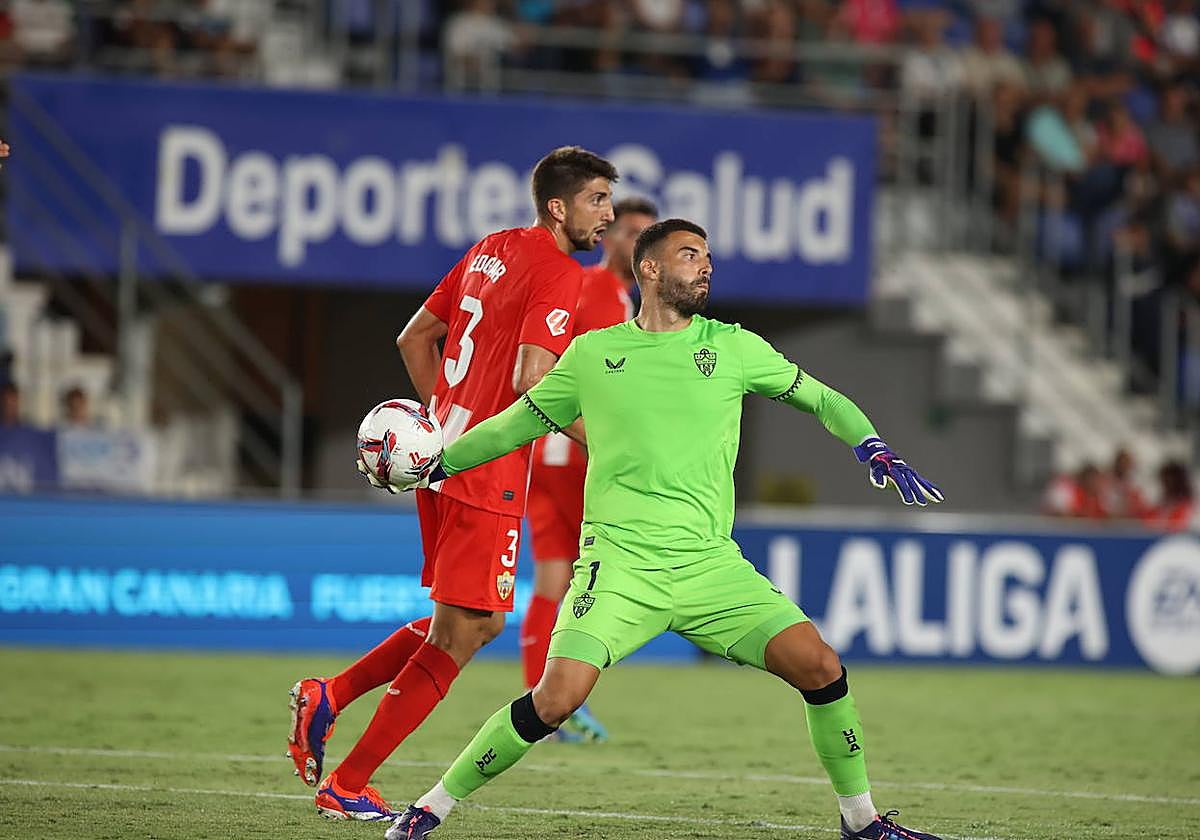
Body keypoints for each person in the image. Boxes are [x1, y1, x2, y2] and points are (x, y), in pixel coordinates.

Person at [388, 219, 946, 840]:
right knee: (555, 700)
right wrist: (439, 460)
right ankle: (431, 806)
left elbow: (823, 399)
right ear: (648, 269)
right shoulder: (593, 355)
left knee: (820, 665)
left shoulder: (733, 347)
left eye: (708, 257)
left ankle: (862, 821)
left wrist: (872, 446)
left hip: (712, 567)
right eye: (689, 255)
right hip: (621, 568)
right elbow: (512, 425)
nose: (704, 266)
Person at [287, 146, 618, 821]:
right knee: (463, 633)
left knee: (472, 622)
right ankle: (348, 780)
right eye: (596, 201)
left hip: (443, 461)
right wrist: (610, 441)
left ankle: (331, 697)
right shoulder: (560, 271)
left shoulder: (492, 247)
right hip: (486, 473)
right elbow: (531, 381)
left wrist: (442, 426)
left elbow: (415, 339)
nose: (607, 215)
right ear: (559, 207)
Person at [521, 197, 657, 742]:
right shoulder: (598, 290)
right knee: (587, 580)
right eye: (631, 232)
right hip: (574, 457)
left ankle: (548, 704)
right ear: (611, 237)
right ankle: (555, 703)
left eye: (650, 235)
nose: (640, 244)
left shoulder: (616, 296)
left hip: (557, 453)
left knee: (560, 579)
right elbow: (597, 383)